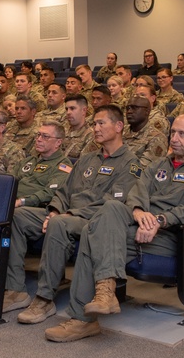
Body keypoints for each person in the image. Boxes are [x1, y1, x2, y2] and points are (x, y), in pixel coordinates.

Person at [43, 114, 184, 342]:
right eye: (173, 132)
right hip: (140, 228)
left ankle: (83, 318)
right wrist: (139, 211)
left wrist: (159, 220)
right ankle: (104, 294)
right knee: (111, 207)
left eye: (182, 134)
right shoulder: (159, 165)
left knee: (93, 232)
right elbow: (135, 193)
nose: (174, 138)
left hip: (173, 236)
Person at [8, 105, 142, 319]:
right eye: (94, 124)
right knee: (17, 216)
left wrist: (68, 215)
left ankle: (44, 298)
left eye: (101, 123)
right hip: (66, 213)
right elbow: (63, 191)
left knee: (59, 224)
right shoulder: (88, 159)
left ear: (118, 126)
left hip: (90, 219)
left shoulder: (131, 164)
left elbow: (111, 204)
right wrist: (54, 210)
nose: (96, 128)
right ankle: (14, 288)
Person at [121, 95, 168, 168]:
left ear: (147, 111)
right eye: (128, 108)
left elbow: (142, 170)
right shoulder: (120, 132)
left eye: (135, 108)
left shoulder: (157, 138)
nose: (129, 111)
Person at [61, 94, 94, 160]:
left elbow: (83, 163)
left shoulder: (91, 135)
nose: (68, 112)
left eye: (72, 108)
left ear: (84, 110)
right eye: (66, 109)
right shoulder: (62, 131)